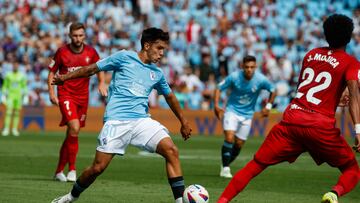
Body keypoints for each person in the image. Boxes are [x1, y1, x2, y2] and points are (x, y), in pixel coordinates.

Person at [218, 14, 360, 203]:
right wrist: (358, 130)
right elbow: (354, 96)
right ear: (349, 37)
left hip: (291, 122)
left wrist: (335, 96)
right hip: (320, 126)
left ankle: (222, 201)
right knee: (352, 169)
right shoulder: (351, 62)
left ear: (325, 34)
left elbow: (307, 88)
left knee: (254, 166)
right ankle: (334, 194)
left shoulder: (311, 54)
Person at [50, 27, 192, 203]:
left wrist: (184, 122)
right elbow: (91, 69)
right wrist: (65, 77)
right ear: (147, 45)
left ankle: (179, 201)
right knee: (97, 167)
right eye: (159, 48)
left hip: (141, 121)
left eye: (164, 49)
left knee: (171, 150)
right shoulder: (124, 57)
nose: (162, 53)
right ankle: (71, 197)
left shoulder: (157, 73)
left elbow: (170, 97)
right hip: (116, 121)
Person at [47, 22, 107, 182]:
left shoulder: (91, 52)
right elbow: (52, 72)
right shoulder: (62, 52)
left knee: (71, 133)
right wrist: (52, 92)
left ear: (85, 36)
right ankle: (72, 170)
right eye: (75, 35)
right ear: (70, 36)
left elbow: (99, 68)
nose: (78, 38)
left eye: (80, 35)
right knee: (74, 127)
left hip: (83, 97)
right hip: (66, 94)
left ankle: (59, 171)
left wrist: (102, 82)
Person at [214, 55, 276, 178]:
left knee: (239, 144)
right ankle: (226, 168)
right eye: (247, 67)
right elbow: (218, 88)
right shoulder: (234, 76)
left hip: (247, 115)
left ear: (255, 67)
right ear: (242, 66)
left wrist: (268, 106)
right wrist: (216, 105)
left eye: (252, 67)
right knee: (229, 138)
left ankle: (225, 163)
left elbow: (273, 90)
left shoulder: (261, 79)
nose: (249, 69)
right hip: (232, 111)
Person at [1, 62, 28, 136]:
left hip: (18, 96)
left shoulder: (21, 76)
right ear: (12, 66)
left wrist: (25, 96)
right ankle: (6, 129)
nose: (15, 67)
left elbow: (24, 86)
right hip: (10, 96)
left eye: (16, 65)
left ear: (18, 66)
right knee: (8, 112)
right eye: (14, 65)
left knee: (17, 113)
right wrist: (3, 95)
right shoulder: (8, 75)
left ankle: (14, 129)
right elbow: (5, 85)